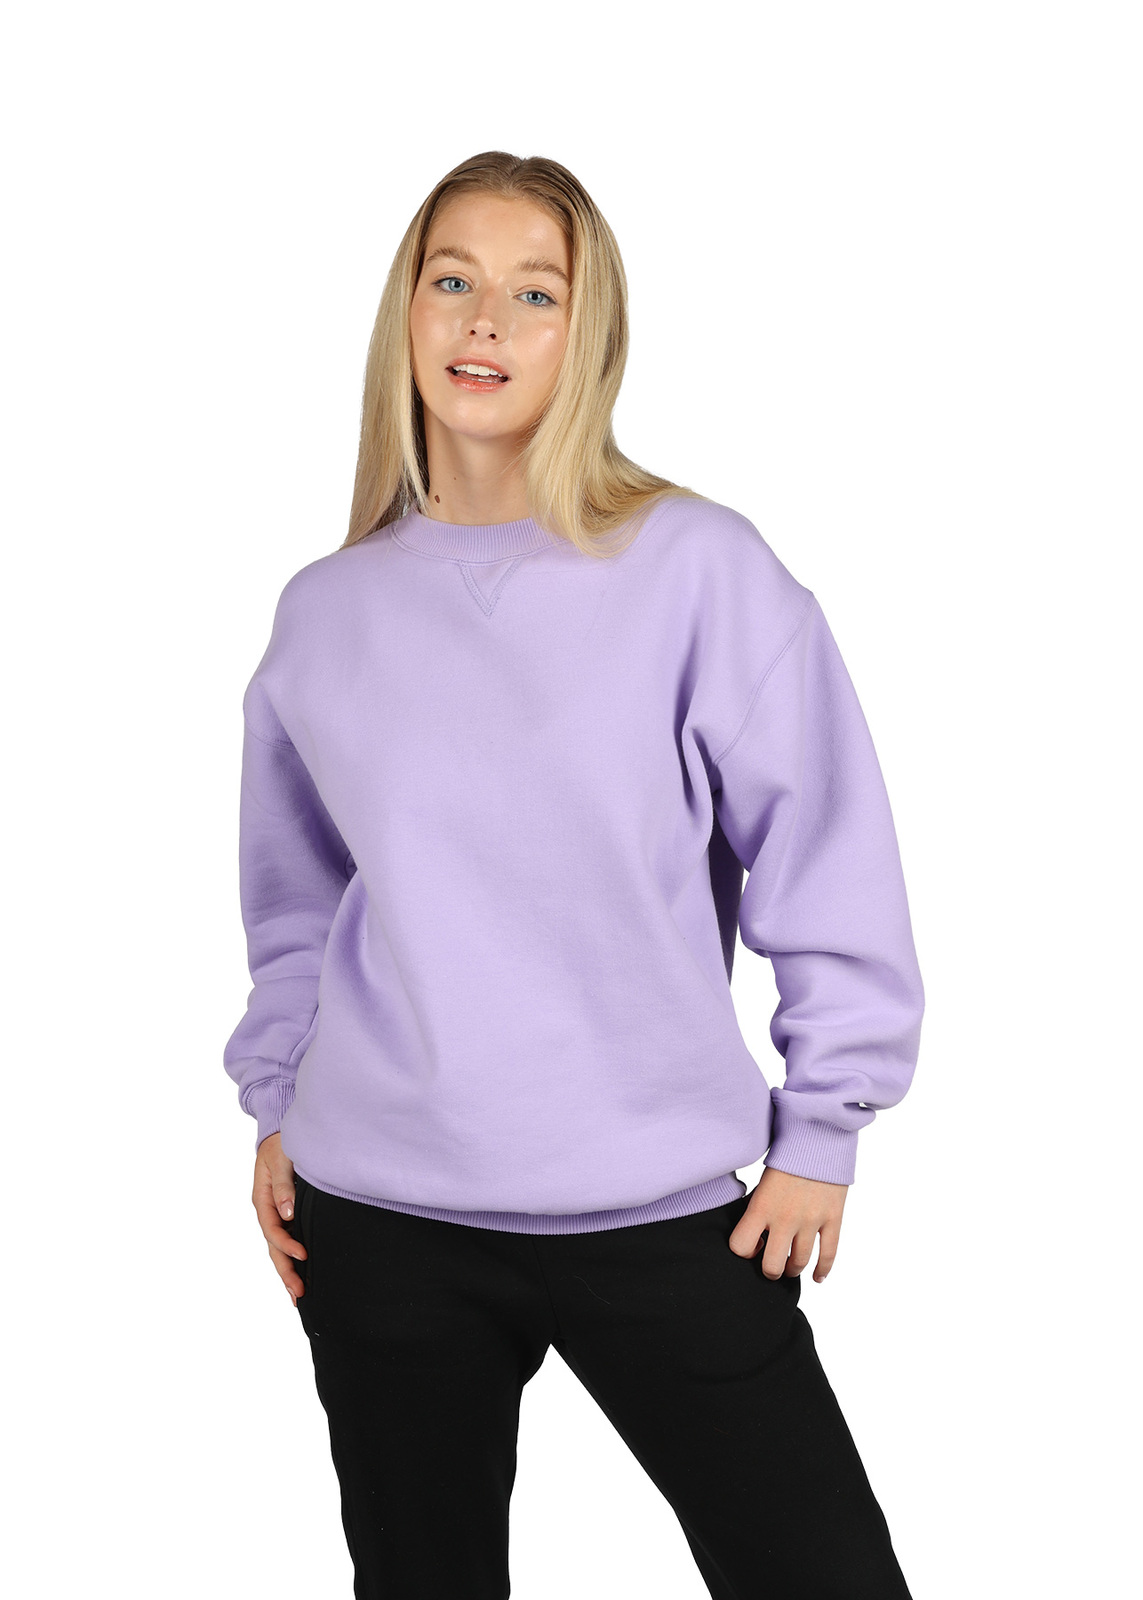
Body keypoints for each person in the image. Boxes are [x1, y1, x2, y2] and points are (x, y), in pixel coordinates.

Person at [222, 150, 925, 1600]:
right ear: (407, 311)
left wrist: (824, 1127)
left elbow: (826, 846)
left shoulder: (698, 568)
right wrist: (279, 1095)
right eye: (454, 280)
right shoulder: (327, 613)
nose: (487, 319)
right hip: (381, 1216)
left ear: (587, 332)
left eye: (536, 293)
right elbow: (298, 902)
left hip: (658, 1206)